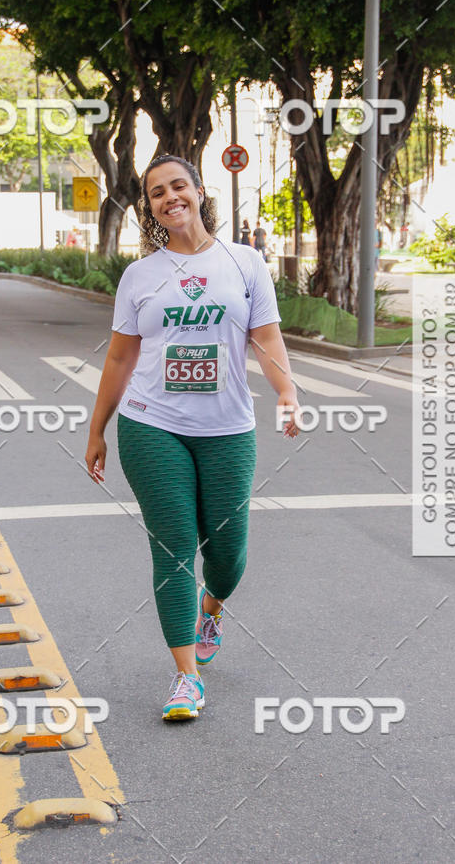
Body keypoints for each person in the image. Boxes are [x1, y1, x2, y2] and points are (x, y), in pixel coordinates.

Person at [85, 154, 299, 722]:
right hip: (150, 423)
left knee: (226, 554)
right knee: (173, 549)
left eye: (178, 186)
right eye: (157, 193)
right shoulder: (140, 275)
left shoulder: (245, 261)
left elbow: (267, 336)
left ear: (200, 191)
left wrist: (287, 393)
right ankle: (187, 678)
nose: (169, 198)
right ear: (150, 207)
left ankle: (213, 605)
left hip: (227, 427)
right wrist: (97, 427)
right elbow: (120, 357)